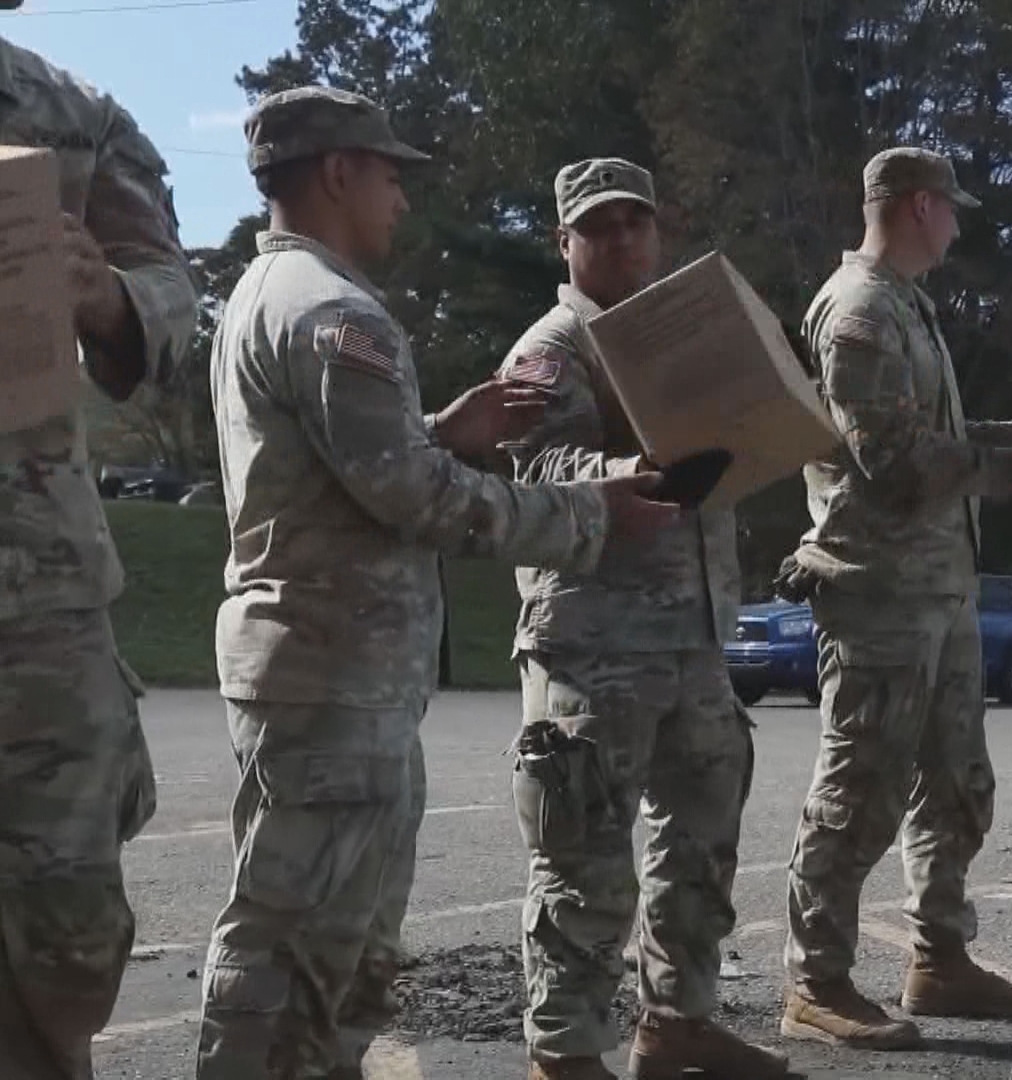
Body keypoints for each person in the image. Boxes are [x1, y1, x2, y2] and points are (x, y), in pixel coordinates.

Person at [196, 87, 680, 1079]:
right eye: (387, 175)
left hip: (325, 668)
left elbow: (350, 473)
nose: (400, 200)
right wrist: (593, 512)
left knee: (330, 942)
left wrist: (437, 434)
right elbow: (418, 500)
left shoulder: (266, 295)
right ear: (337, 172)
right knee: (296, 945)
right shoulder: (333, 314)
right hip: (333, 677)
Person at [776, 147, 1012, 1049]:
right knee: (859, 788)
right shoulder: (860, 314)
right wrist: (1011, 468)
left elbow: (930, 434)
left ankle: (938, 960)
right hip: (880, 593)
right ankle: (817, 981)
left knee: (956, 783)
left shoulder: (906, 306)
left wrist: (1006, 435)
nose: (958, 223)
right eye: (952, 208)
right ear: (919, 206)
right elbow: (894, 461)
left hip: (938, 587)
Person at [497, 158, 784, 1080]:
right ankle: (567, 1052)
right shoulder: (550, 349)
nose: (621, 238)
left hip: (694, 636)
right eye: (599, 225)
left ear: (658, 233)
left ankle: (678, 1023)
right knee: (584, 861)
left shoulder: (685, 342)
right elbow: (532, 478)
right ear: (566, 242)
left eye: (636, 222)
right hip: (595, 640)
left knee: (702, 842)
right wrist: (607, 474)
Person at [0, 18, 198, 1077]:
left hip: (36, 601)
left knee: (64, 933)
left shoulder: (74, 117)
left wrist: (109, 296)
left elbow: (176, 300)